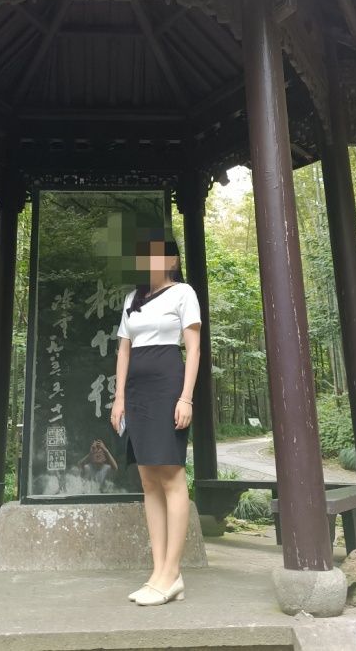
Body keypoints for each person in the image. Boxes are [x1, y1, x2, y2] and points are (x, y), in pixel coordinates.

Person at [110, 230, 201, 606]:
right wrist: (119, 398)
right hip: (136, 393)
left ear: (171, 260)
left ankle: (172, 572)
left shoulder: (184, 293)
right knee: (148, 479)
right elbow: (124, 350)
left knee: (171, 475)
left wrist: (186, 398)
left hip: (168, 387)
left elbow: (193, 349)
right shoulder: (132, 299)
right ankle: (157, 571)